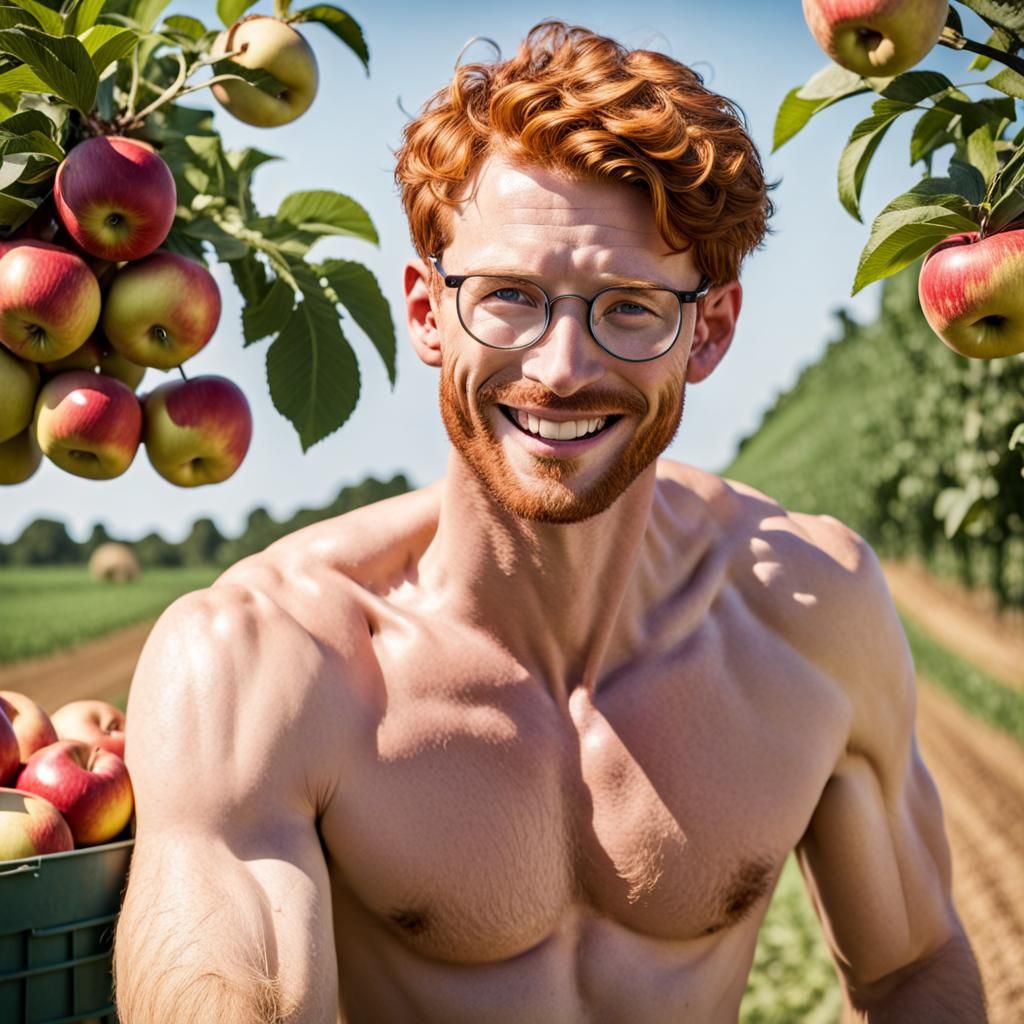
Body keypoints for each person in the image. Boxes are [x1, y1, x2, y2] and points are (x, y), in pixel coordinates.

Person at [113, 20, 987, 1023]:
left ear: (707, 329)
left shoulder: (810, 614)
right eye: (509, 297)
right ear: (427, 314)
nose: (562, 367)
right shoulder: (265, 662)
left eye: (627, 307)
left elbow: (911, 967)